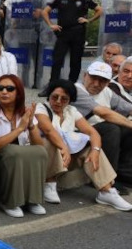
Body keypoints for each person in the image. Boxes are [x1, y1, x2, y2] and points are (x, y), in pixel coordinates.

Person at [36, 79, 131, 210]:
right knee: (50, 141)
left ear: (70, 100)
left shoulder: (71, 111)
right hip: (42, 164)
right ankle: (49, 183)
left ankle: (106, 191)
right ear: (49, 95)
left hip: (64, 162)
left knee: (90, 148)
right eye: (55, 97)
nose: (58, 101)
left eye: (64, 99)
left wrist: (95, 150)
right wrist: (64, 147)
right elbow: (48, 130)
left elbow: (93, 133)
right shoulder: (41, 108)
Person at [0, 74, 47, 218]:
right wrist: (19, 129)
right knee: (13, 151)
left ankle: (33, 200)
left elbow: (39, 146)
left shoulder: (24, 113)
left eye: (10, 88)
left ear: (18, 93)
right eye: (0, 88)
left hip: (18, 155)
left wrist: (30, 125)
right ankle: (9, 202)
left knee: (40, 152)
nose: (4, 92)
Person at [72, 61, 132, 186]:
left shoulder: (107, 92)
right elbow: (103, 113)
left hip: (98, 130)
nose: (96, 84)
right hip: (77, 133)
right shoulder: (76, 90)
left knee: (126, 129)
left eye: (102, 81)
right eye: (93, 78)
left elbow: (128, 108)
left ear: (108, 82)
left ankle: (124, 173)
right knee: (111, 128)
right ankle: (106, 180)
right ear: (85, 75)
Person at [43, 0, 103, 85]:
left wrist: (89, 20)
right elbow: (45, 11)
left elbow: (99, 10)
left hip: (78, 34)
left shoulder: (85, 0)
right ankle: (52, 85)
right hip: (63, 33)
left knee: (75, 62)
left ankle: (72, 86)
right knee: (57, 60)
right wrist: (51, 24)